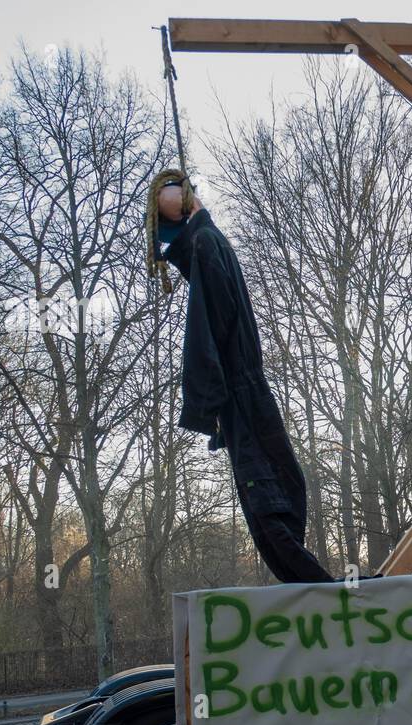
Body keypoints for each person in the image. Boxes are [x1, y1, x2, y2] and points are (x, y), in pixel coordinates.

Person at [146, 170, 334, 584]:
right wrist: (208, 406)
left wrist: (206, 405)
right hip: (239, 391)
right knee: (270, 491)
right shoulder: (207, 246)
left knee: (281, 485)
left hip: (242, 389)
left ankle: (311, 586)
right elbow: (205, 333)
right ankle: (312, 587)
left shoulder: (207, 245)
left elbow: (206, 331)